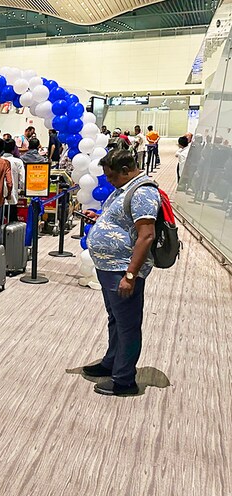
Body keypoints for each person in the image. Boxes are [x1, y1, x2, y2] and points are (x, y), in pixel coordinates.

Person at [82, 150, 158, 396]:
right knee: (115, 318)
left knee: (128, 325)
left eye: (112, 176)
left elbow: (146, 236)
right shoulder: (126, 188)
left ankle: (125, 380)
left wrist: (130, 276)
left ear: (126, 170)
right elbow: (122, 221)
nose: (110, 181)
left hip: (122, 269)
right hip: (108, 267)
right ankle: (111, 362)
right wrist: (100, 220)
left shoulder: (143, 192)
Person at [1, 139, 25, 222]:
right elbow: (22, 180)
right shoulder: (18, 162)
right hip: (12, 196)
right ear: (14, 148)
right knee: (12, 222)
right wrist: (22, 189)